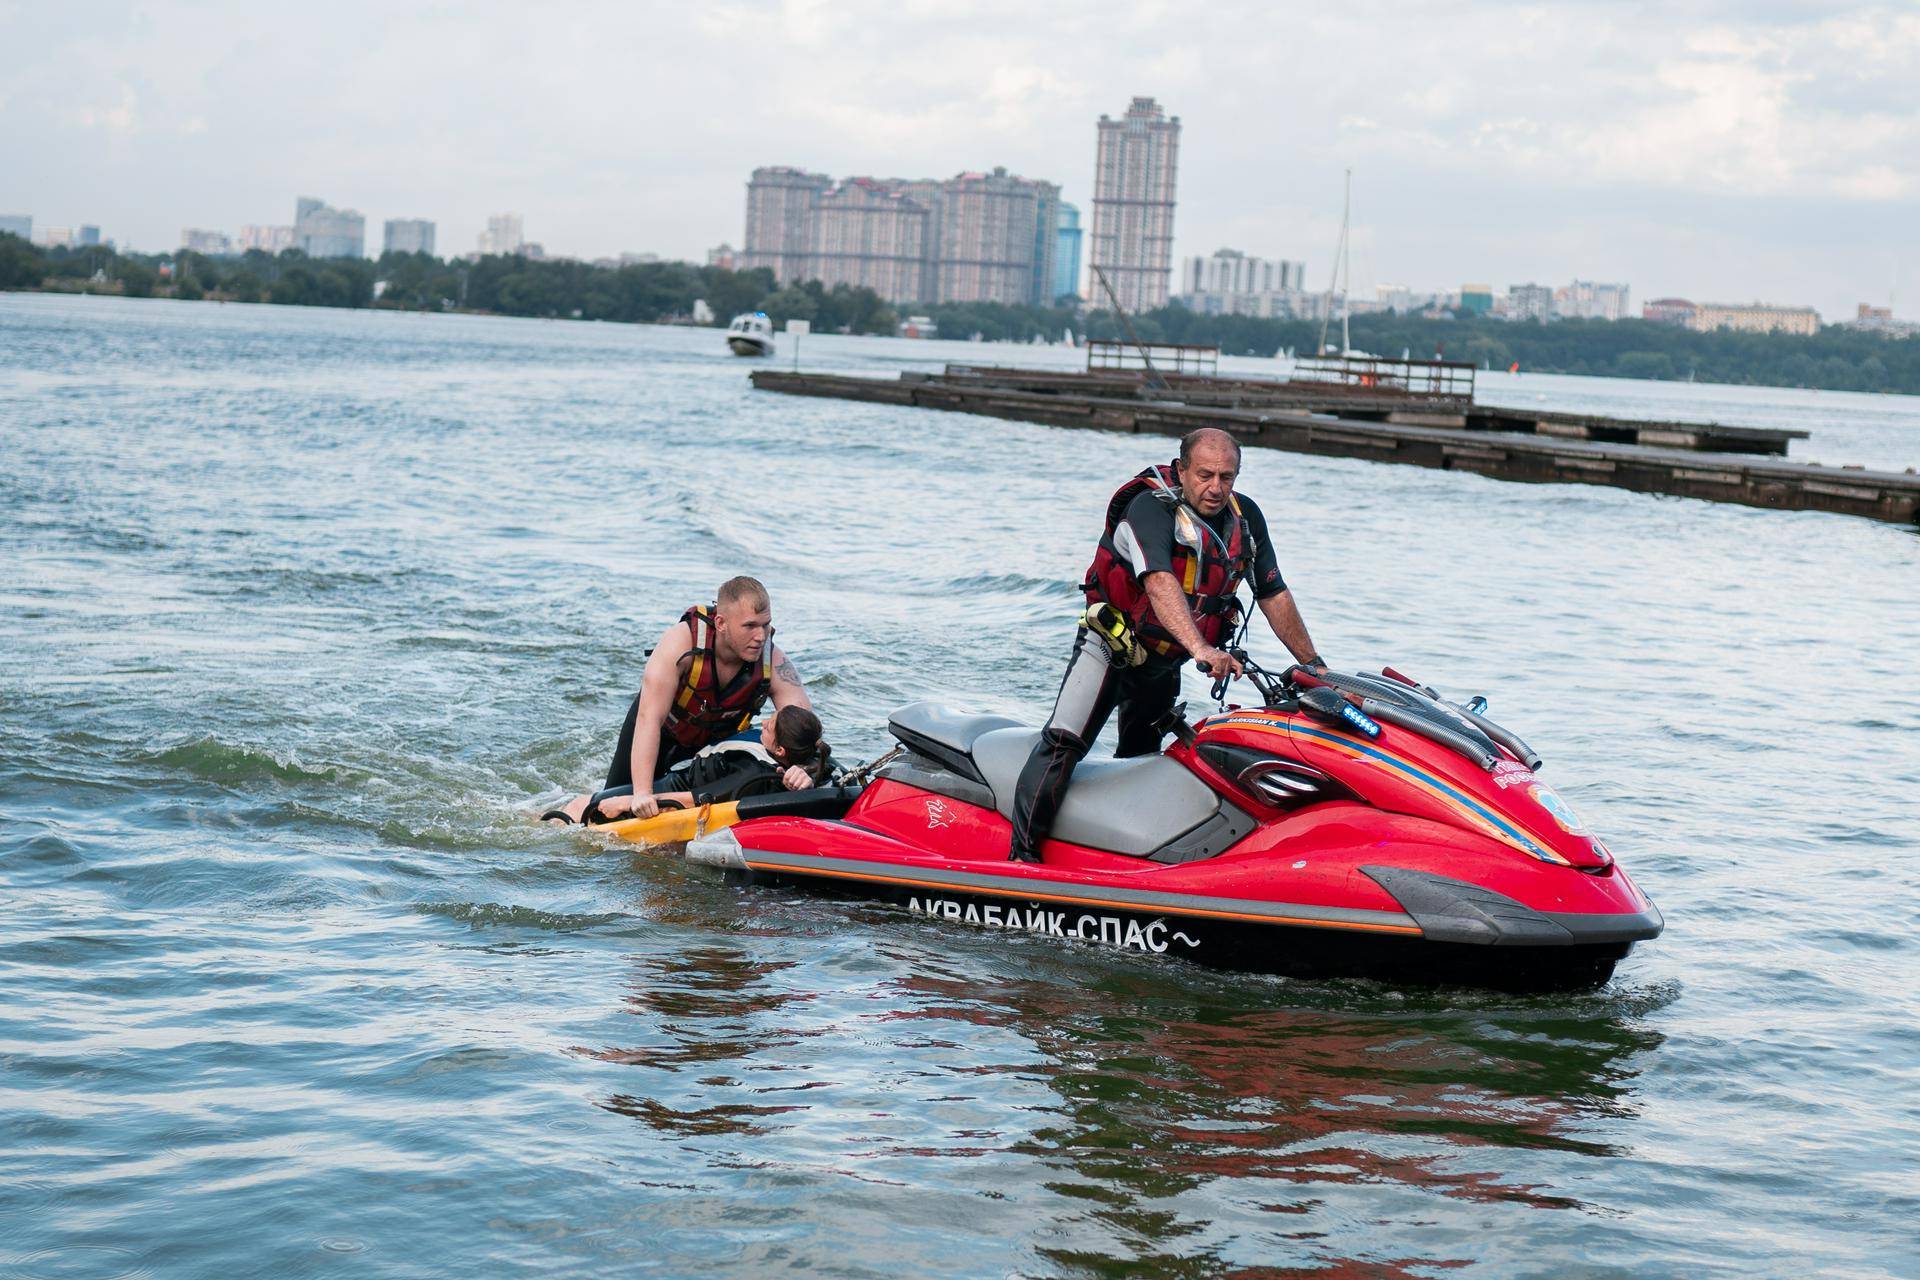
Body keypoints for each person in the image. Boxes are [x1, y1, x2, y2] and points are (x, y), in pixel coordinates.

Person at [1007, 427, 1325, 863]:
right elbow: (1159, 583)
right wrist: (1202, 649)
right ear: (1181, 471)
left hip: (1163, 661)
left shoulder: (1245, 518)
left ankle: (1115, 858)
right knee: (1064, 742)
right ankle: (1021, 859)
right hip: (1111, 648)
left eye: (1226, 477)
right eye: (1205, 475)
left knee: (1141, 761)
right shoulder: (1149, 510)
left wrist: (1316, 667)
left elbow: (1273, 593)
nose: (1215, 488)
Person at [553, 575, 811, 824]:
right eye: (750, 626)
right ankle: (555, 811)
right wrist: (642, 794)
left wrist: (803, 769)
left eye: (765, 624)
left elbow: (803, 728)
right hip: (660, 733)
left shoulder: (773, 661)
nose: (761, 636)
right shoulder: (681, 644)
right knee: (610, 815)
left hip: (710, 749)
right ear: (720, 623)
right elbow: (649, 720)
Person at [552, 705, 832, 824]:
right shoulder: (814, 758)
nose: (764, 722)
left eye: (770, 726)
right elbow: (830, 768)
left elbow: (693, 800)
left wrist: (628, 802)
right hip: (681, 770)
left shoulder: (751, 774)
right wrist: (806, 773)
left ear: (780, 750)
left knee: (577, 807)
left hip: (674, 786)